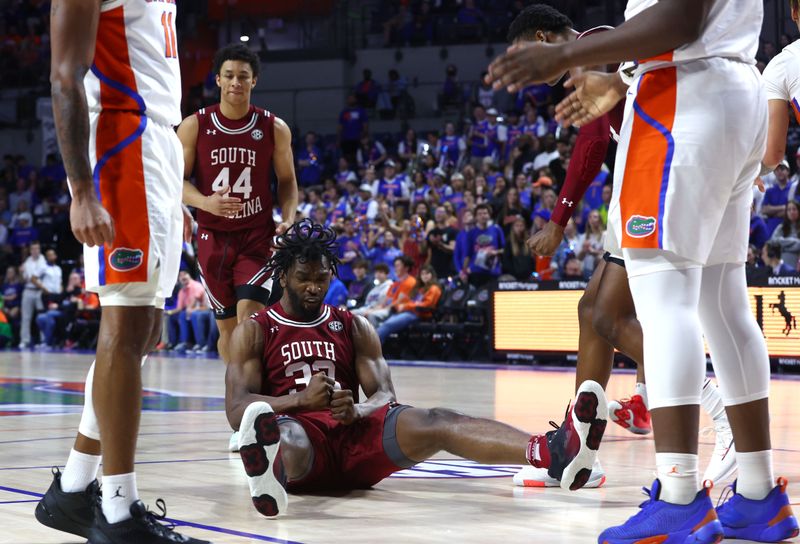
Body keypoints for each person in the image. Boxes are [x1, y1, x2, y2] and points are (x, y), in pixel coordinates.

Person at [488, 0, 798, 542]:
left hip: (681, 100)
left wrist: (563, 54)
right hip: (733, 89)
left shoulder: (612, 45)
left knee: (666, 304)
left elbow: (679, 22)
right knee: (723, 303)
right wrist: (621, 80)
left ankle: (679, 498)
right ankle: (756, 494)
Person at [223, 220, 607, 517]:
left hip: (355, 436)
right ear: (283, 276)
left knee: (437, 419)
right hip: (303, 441)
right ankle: (271, 474)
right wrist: (298, 400)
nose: (313, 287)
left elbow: (386, 396)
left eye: (321, 278)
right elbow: (237, 409)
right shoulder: (255, 331)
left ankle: (553, 452)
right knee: (286, 436)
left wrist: (358, 409)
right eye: (303, 278)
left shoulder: (353, 324)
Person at [508, 5, 737, 492]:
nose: (529, 76)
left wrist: (557, 220)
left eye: (525, 57)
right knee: (591, 310)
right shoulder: (597, 52)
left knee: (609, 317)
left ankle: (723, 415)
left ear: (543, 39)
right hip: (640, 180)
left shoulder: (601, 45)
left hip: (664, 172)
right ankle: (578, 453)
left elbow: (591, 141)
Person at [36, 1, 209, 543]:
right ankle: (118, 511)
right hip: (123, 143)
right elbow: (64, 76)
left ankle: (75, 488)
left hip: (157, 141)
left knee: (146, 330)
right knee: (126, 329)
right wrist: (82, 193)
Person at [180, 43, 298, 368]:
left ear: (254, 81)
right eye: (229, 75)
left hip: (256, 236)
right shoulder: (195, 125)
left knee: (250, 316)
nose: (236, 82)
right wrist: (205, 202)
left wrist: (287, 218)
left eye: (243, 77)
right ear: (217, 80)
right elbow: (174, 181)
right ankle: (238, 390)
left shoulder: (274, 128)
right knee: (228, 330)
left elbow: (287, 181)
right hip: (212, 237)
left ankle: (258, 395)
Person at [376, 264, 442, 343]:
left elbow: (427, 305)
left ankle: (372, 349)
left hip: (419, 314)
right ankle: (375, 349)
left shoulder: (434, 288)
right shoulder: (420, 288)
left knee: (387, 325)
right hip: (408, 312)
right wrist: (402, 306)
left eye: (427, 273)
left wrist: (405, 306)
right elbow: (411, 301)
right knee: (384, 324)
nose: (425, 276)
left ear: (432, 275)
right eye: (422, 274)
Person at [462, 203, 504, 287]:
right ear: (476, 217)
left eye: (485, 213)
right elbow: (467, 255)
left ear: (489, 215)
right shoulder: (471, 233)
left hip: (493, 271)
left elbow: (504, 249)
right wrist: (464, 272)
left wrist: (495, 252)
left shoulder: (496, 229)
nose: (483, 216)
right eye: (480, 214)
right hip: (476, 272)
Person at [19, 241, 46, 349]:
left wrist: (29, 277)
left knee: (41, 317)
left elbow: (33, 278)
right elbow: (24, 279)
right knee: (26, 317)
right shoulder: (27, 262)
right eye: (33, 249)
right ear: (30, 250)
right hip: (28, 290)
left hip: (39, 291)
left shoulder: (43, 260)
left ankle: (44, 340)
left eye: (37, 248)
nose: (35, 251)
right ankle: (24, 341)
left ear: (39, 249)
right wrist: (21, 272)